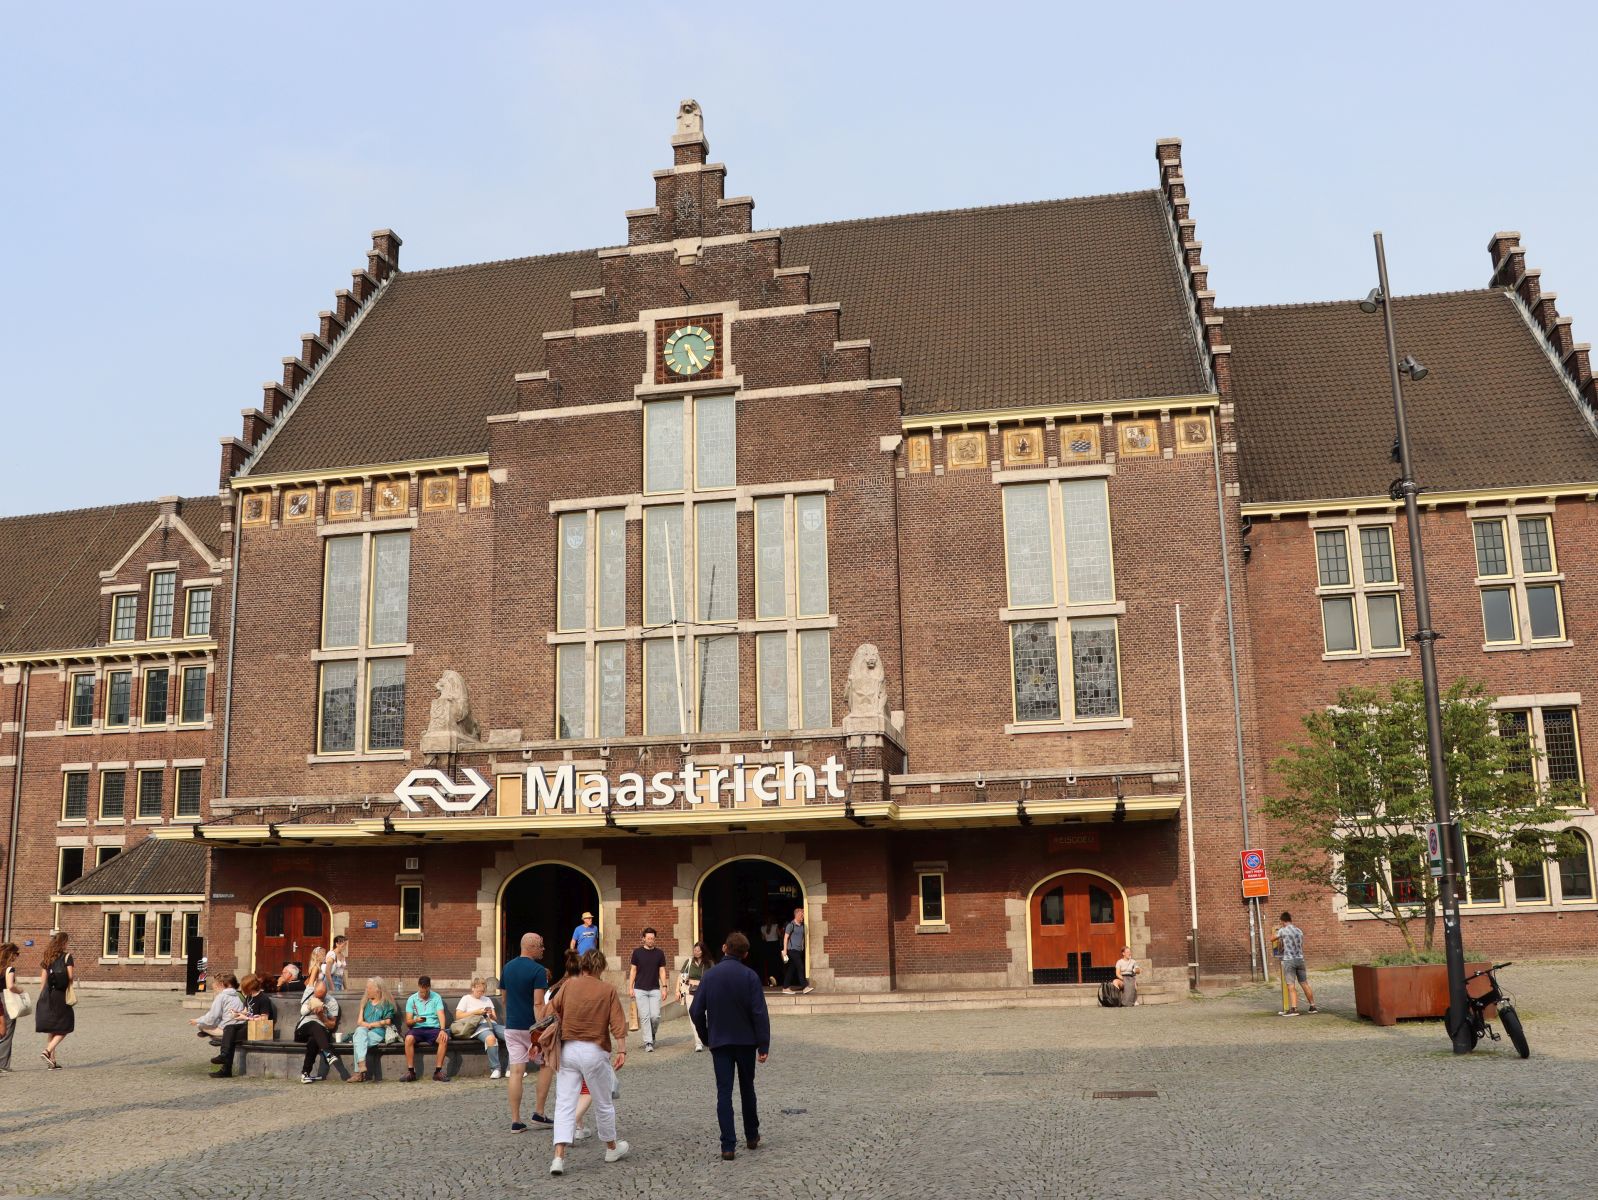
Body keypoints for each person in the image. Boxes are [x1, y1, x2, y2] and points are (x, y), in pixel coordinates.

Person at [543, 948, 629, 1176]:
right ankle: (611, 1148)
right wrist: (622, 1049)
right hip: (594, 1049)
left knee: (564, 1103)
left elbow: (549, 1010)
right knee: (603, 1102)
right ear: (600, 967)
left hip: (568, 1049)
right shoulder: (607, 990)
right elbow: (617, 1022)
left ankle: (558, 1158)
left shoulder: (569, 985)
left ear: (583, 966)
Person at [690, 931, 771, 1161]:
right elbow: (759, 1013)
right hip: (746, 1042)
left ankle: (728, 1145)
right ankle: (752, 1135)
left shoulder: (710, 976)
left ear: (724, 948)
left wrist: (706, 1036)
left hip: (720, 1041)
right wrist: (763, 1044)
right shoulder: (750, 976)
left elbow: (696, 1011)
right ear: (745, 954)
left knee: (723, 1093)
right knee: (748, 1089)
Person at [502, 932, 551, 1130]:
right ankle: (539, 1113)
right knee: (546, 1064)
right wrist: (542, 1029)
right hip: (532, 1027)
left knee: (516, 1071)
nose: (543, 949)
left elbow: (504, 999)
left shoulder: (507, 967)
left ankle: (516, 1120)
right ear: (532, 947)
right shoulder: (538, 971)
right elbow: (538, 1003)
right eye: (541, 945)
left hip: (512, 1026)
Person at [212, 974, 270, 1078]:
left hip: (257, 1028)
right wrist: (238, 1012)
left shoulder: (263, 999)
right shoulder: (249, 997)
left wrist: (246, 1018)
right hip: (248, 1024)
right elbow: (247, 1011)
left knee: (230, 1037)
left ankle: (225, 1066)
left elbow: (264, 1018)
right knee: (229, 1028)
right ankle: (224, 1057)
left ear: (249, 986)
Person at [36, 931, 74, 1068]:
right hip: (61, 994)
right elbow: (70, 976)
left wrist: (41, 996)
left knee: (53, 1027)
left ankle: (52, 1061)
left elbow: (43, 980)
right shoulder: (67, 957)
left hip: (48, 994)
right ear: (64, 943)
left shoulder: (47, 957)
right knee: (66, 1026)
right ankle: (47, 1051)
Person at [627, 927, 669, 1052]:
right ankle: (648, 1042)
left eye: (653, 938)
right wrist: (630, 987)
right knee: (645, 1017)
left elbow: (662, 970)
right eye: (648, 938)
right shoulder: (637, 952)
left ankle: (652, 1034)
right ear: (643, 939)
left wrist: (664, 987)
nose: (651, 940)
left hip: (655, 989)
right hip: (640, 989)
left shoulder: (659, 953)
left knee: (655, 1016)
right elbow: (633, 970)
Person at [456, 978, 507, 1079]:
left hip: (491, 1024)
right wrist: (476, 1012)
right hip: (477, 1025)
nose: (481, 993)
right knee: (491, 1039)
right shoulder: (466, 998)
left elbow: (494, 1018)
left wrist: (490, 1015)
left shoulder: (487, 999)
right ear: (473, 988)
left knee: (512, 1035)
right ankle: (496, 1069)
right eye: (478, 991)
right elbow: (458, 1016)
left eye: (483, 991)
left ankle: (512, 1069)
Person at [402, 975, 450, 1081]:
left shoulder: (436, 997)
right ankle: (411, 1072)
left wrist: (442, 1029)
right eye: (422, 992)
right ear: (419, 986)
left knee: (443, 1039)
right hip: (417, 1028)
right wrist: (415, 1020)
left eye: (426, 992)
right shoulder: (412, 999)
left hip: (433, 1028)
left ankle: (438, 1072)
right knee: (408, 1039)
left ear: (429, 987)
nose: (424, 994)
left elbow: (441, 1014)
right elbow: (408, 1022)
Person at [348, 977, 396, 1083]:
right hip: (364, 1030)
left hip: (379, 1032)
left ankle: (359, 1073)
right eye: (366, 988)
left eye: (369, 988)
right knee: (360, 1032)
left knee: (358, 1040)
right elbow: (359, 1021)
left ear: (377, 990)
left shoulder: (386, 1004)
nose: (367, 991)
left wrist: (371, 1024)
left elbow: (388, 1021)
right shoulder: (365, 1003)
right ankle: (361, 1064)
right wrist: (368, 1025)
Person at [295, 979, 340, 1083]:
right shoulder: (308, 993)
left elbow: (332, 1025)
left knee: (313, 1040)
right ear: (314, 991)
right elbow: (302, 1011)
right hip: (302, 1030)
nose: (319, 998)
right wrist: (312, 1006)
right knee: (314, 1025)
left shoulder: (331, 1002)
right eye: (317, 995)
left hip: (321, 1034)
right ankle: (327, 1053)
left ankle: (305, 1073)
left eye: (322, 996)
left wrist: (321, 1016)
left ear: (326, 993)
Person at [1273, 912, 1317, 1015]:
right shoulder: (1299, 931)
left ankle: (1294, 1009)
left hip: (1289, 960)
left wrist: (1278, 931)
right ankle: (1313, 1006)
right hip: (1300, 959)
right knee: (1304, 983)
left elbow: (1272, 938)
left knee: (1290, 985)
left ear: (1282, 921)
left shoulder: (1283, 930)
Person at [678, 942, 709, 1051]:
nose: (696, 952)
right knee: (693, 1017)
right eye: (695, 950)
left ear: (703, 951)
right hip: (690, 992)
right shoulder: (689, 962)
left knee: (706, 1016)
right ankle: (698, 1042)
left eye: (698, 950)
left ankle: (707, 1038)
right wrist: (678, 991)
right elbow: (680, 977)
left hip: (704, 993)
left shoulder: (709, 963)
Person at [780, 906, 813, 995]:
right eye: (801, 916)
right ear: (797, 915)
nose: (802, 917)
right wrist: (785, 951)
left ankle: (785, 987)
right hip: (792, 950)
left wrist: (803, 948)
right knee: (800, 967)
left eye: (803, 915)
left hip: (799, 951)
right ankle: (805, 986)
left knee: (791, 969)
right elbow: (785, 938)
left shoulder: (803, 926)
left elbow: (803, 938)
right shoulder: (790, 925)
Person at [0, 942, 20, 1073]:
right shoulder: (9, 969)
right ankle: (3, 1064)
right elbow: (10, 986)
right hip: (5, 1000)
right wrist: (20, 990)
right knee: (6, 1031)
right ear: (11, 954)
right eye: (16, 954)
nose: (17, 957)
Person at [759, 916, 782, 986]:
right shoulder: (775, 926)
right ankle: (777, 979)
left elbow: (763, 938)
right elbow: (780, 935)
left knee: (769, 963)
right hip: (775, 945)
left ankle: (770, 980)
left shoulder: (762, 928)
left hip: (767, 946)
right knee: (776, 963)